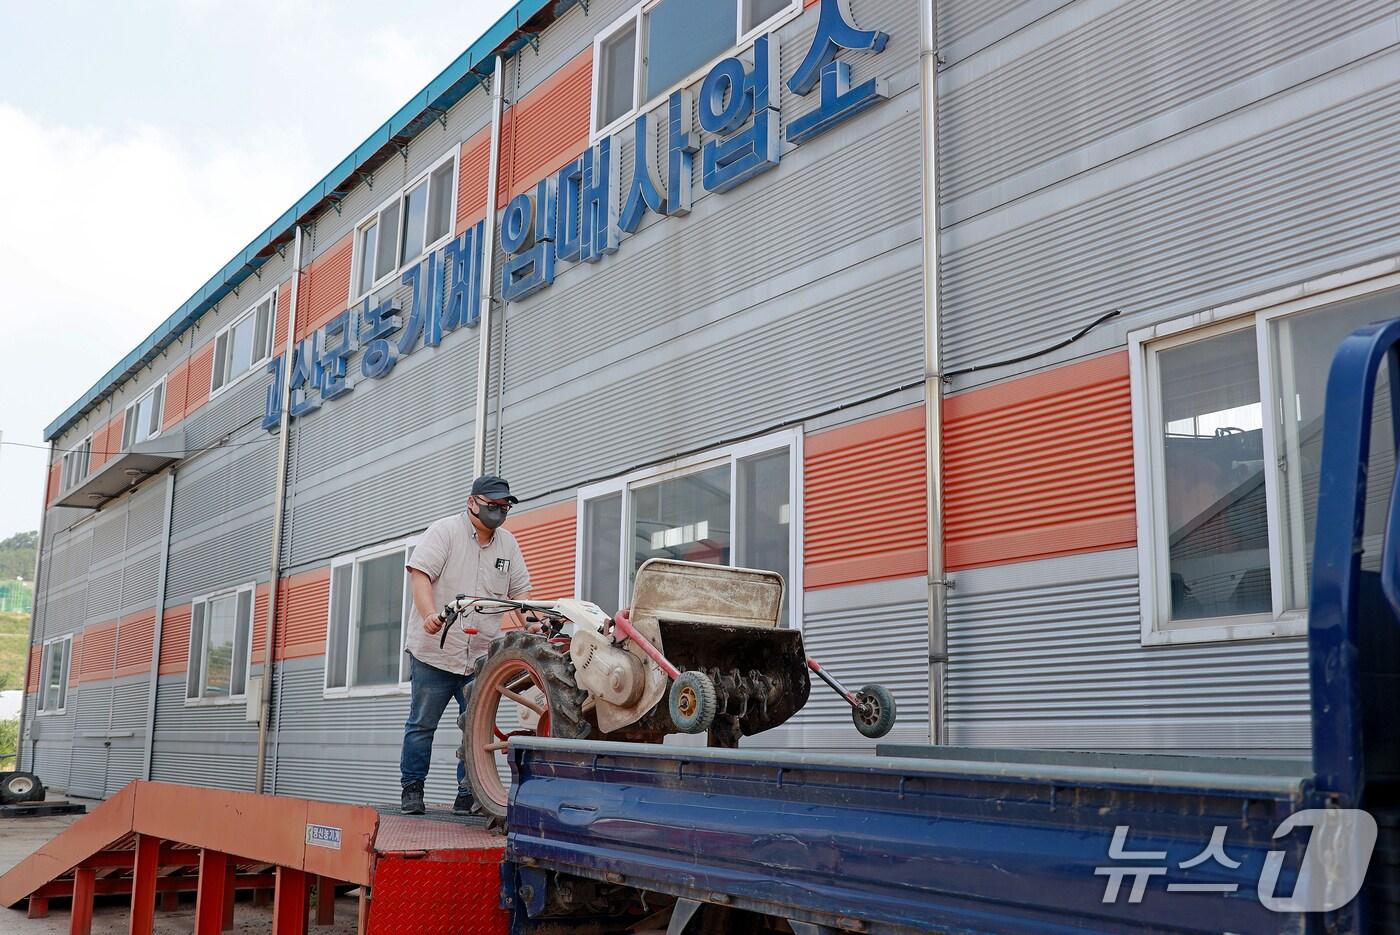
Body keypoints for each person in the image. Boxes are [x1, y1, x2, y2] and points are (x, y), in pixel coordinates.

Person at [399, 474, 531, 815]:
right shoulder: (444, 532)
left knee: (475, 729)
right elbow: (420, 575)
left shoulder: (508, 546)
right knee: (421, 725)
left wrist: (534, 626)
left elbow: (520, 596)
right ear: (472, 502)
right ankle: (412, 790)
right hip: (436, 652)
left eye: (504, 508)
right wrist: (429, 615)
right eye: (492, 506)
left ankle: (466, 794)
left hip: (481, 658)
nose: (499, 513)